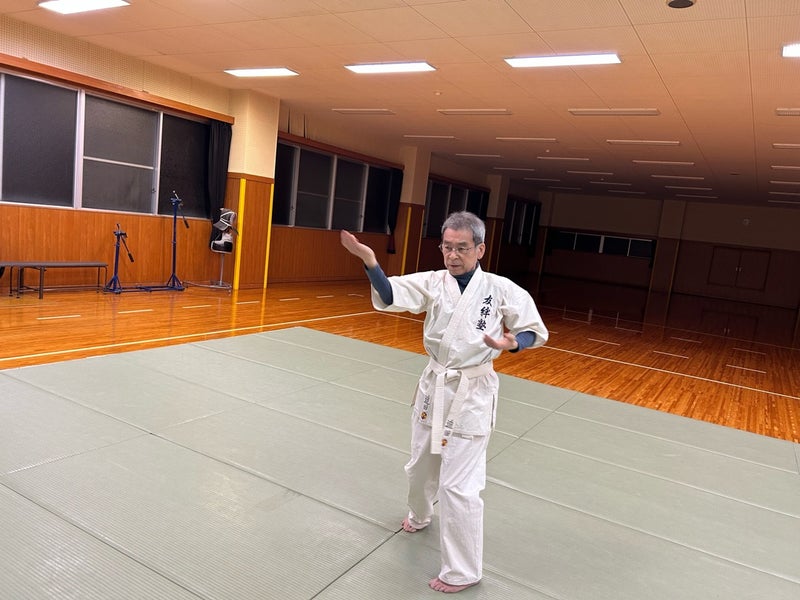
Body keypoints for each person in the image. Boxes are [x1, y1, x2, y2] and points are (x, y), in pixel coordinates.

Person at [340, 211, 548, 594]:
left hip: (472, 392)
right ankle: (420, 514)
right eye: (447, 247)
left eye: (462, 248)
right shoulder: (434, 282)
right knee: (421, 466)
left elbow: (534, 330)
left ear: (480, 249)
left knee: (459, 486)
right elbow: (391, 295)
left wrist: (514, 342)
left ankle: (463, 570)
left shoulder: (501, 289)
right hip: (435, 386)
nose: (452, 255)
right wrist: (370, 261)